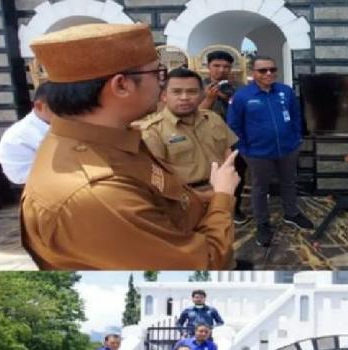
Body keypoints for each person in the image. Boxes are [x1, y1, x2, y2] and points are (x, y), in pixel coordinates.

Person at [21, 23, 240, 269]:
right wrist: (222, 196)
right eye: (157, 75)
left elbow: (163, 198)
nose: (161, 86)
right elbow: (204, 264)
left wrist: (207, 196)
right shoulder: (96, 194)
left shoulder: (113, 139)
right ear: (121, 85)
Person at [226, 56, 314, 247]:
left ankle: (292, 214)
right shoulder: (242, 96)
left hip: (288, 148)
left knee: (289, 182)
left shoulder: (286, 91)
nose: (268, 74)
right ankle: (263, 224)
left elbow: (296, 115)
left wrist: (297, 137)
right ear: (252, 73)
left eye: (272, 69)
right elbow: (233, 125)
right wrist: (244, 148)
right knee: (260, 189)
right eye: (263, 70)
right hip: (257, 152)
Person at [138, 67, 238, 189]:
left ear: (201, 95)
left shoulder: (212, 119)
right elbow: (156, 176)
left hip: (222, 189)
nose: (184, 97)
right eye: (177, 92)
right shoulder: (153, 131)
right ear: (164, 96)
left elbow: (227, 151)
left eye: (192, 92)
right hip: (184, 197)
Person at [199, 50, 249, 224]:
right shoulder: (199, 87)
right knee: (208, 176)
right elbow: (194, 114)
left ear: (231, 68)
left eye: (226, 66)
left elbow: (248, 113)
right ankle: (209, 210)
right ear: (208, 67)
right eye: (216, 66)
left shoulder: (241, 88)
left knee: (236, 175)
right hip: (207, 141)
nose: (221, 70)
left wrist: (230, 98)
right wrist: (209, 98)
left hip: (236, 140)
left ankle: (234, 209)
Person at [0, 81, 53, 185]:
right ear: (39, 106)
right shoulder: (17, 137)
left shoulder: (58, 123)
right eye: (60, 108)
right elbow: (19, 178)